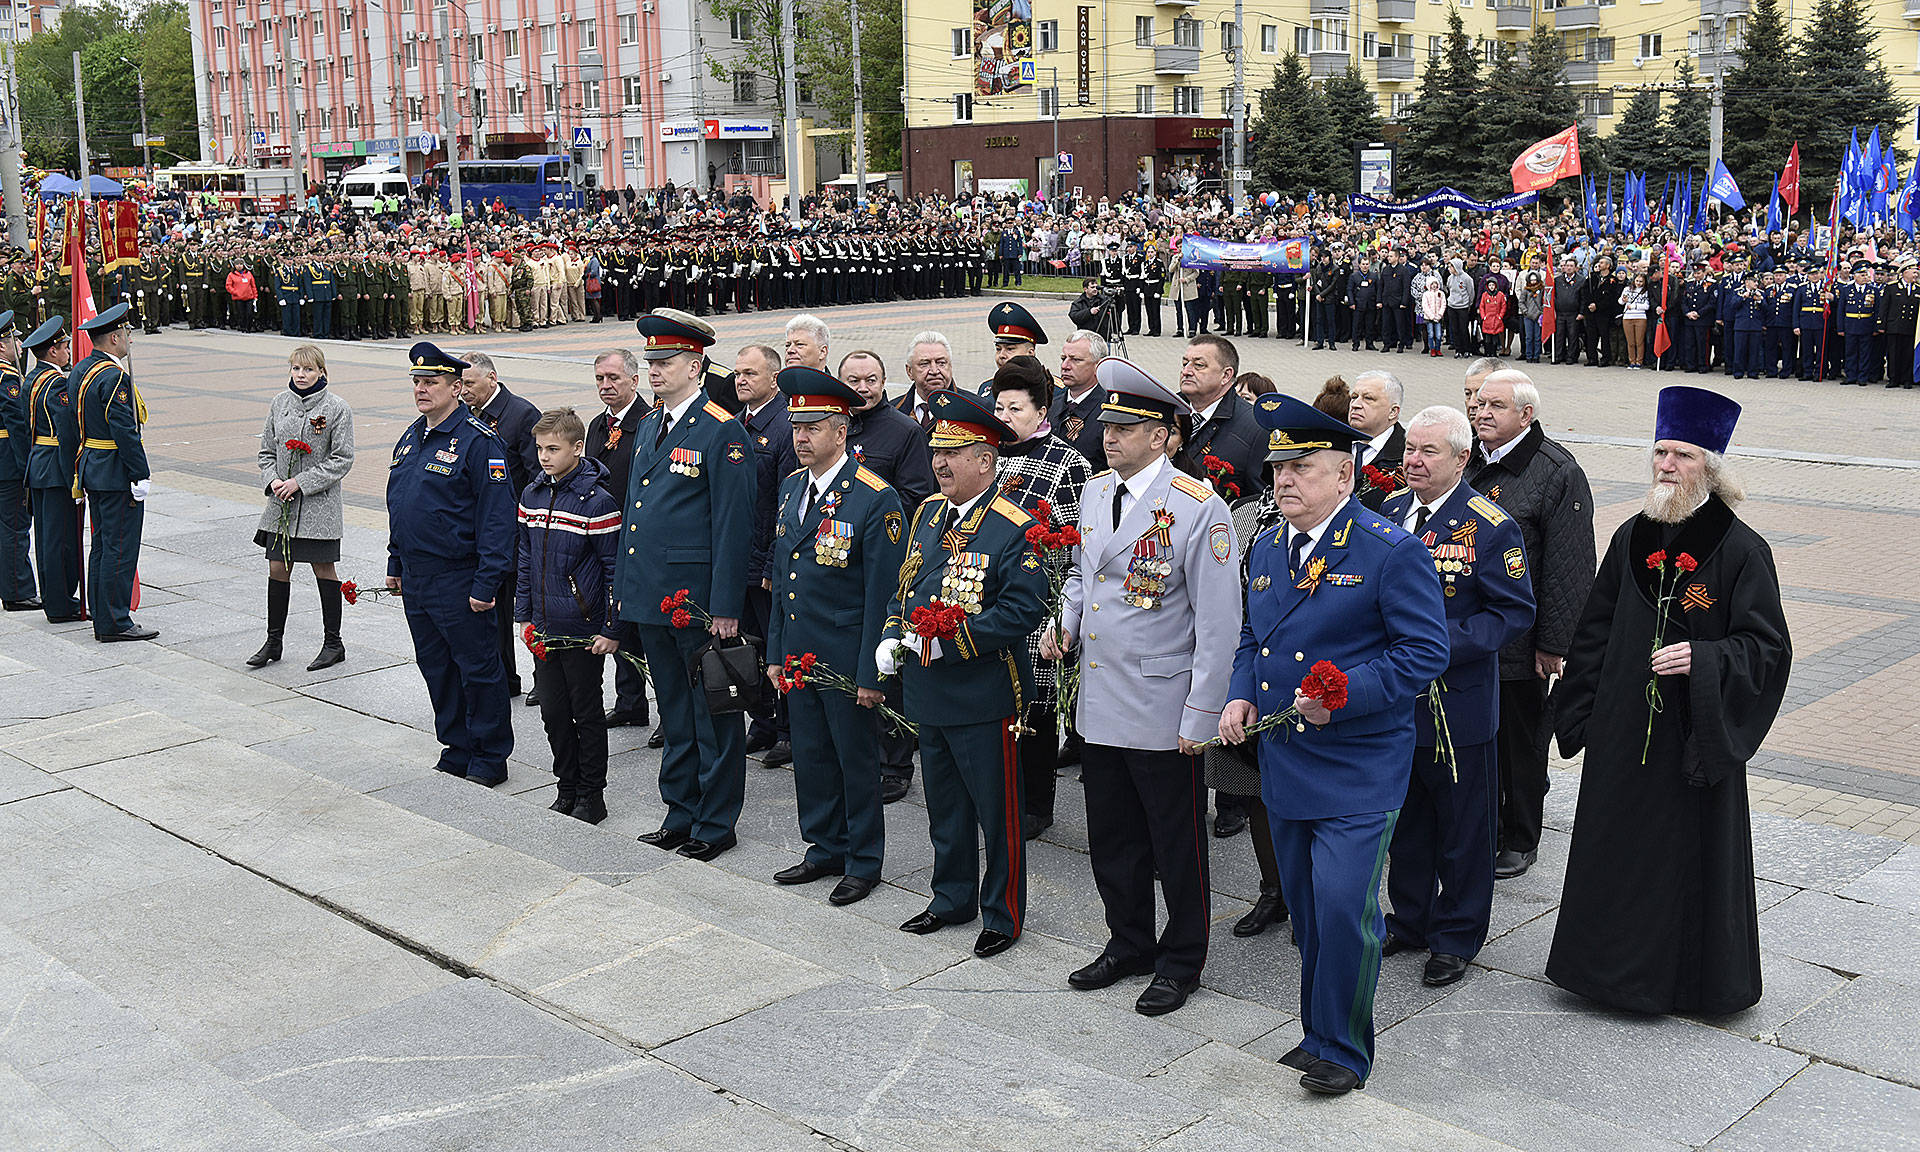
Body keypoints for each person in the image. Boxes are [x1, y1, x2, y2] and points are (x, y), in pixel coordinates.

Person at [1220, 391, 1449, 1095]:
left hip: (1358, 765)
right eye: (1278, 468)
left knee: (1346, 909)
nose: (1284, 480)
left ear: (1345, 475)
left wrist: (1341, 695)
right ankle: (1317, 1031)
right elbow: (1254, 634)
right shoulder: (1267, 545)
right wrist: (1240, 691)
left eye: (1302, 468)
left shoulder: (1390, 551)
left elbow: (1424, 653)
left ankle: (1346, 1051)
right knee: (1310, 912)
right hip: (1287, 762)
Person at [1549, 386, 1791, 1015]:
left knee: (1682, 859)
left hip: (1692, 737)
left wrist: (1705, 659)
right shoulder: (1632, 535)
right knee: (1615, 847)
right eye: (1660, 452)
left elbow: (1766, 648)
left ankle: (1681, 984)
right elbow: (1595, 628)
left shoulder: (1742, 550)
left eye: (1682, 455)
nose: (1666, 465)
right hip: (1622, 727)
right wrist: (1580, 712)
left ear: (1710, 467)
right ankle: (1601, 973)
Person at [1044, 356, 1239, 1017]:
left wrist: (1202, 715)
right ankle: (1128, 941)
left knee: (1175, 844)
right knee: (1113, 837)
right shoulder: (1097, 490)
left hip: (1162, 705)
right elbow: (1083, 575)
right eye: (1107, 426)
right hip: (1101, 698)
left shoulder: (1197, 507)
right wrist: (1066, 621)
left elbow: (1219, 623)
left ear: (1160, 436)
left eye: (1125, 429)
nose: (1109, 437)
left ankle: (1181, 960)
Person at [880, 388, 1047, 958]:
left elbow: (1023, 610)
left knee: (997, 814)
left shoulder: (1013, 525)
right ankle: (951, 897)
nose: (941, 464)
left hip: (982, 691)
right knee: (945, 806)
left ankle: (1003, 912)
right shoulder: (928, 513)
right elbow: (905, 585)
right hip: (929, 691)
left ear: (986, 460)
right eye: (937, 453)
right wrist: (892, 634)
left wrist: (946, 643)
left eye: (953, 454)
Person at [1379, 407, 1535, 988]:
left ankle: (1456, 936)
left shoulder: (1490, 525)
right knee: (1408, 825)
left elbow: (1512, 612)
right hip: (1398, 702)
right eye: (1410, 450)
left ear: (1462, 458)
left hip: (1456, 705)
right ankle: (1411, 919)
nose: (1413, 461)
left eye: (1429, 452)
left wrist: (1438, 644)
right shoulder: (1388, 511)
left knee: (1464, 831)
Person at [764, 368, 906, 906]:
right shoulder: (792, 487)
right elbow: (784, 579)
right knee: (811, 755)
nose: (800, 437)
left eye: (813, 428)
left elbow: (884, 595)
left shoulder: (874, 497)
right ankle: (824, 846)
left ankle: (863, 860)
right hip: (800, 652)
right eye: (796, 427)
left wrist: (873, 674)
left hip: (846, 656)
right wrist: (776, 652)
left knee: (855, 761)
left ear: (841, 431)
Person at [616, 311, 755, 861]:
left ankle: (715, 822)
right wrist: (625, 592)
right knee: (673, 711)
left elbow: (733, 526)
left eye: (665, 362)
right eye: (650, 362)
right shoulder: (650, 424)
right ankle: (680, 811)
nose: (654, 371)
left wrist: (725, 605)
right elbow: (634, 515)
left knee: (712, 713)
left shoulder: (722, 429)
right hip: (653, 595)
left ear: (695, 366)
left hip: (696, 602)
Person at [1466, 371, 1594, 879]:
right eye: (1478, 402)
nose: (1481, 412)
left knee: (1520, 744)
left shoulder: (1556, 472)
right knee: (1478, 739)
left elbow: (1569, 565)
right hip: (1470, 633)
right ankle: (1484, 827)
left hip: (1521, 641)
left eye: (1495, 405)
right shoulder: (1468, 457)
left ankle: (1520, 837)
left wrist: (1554, 644)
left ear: (1526, 414)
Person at [384, 342, 517, 784]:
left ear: (457, 388)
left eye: (432, 382)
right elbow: (401, 502)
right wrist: (395, 560)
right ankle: (457, 747)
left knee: (477, 669)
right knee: (437, 668)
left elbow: (497, 519)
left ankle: (490, 757)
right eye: (417, 382)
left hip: (459, 576)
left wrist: (487, 583)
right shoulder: (413, 435)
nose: (421, 390)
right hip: (417, 576)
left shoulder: (479, 442)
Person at [989, 354, 1093, 840]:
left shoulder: (1068, 463)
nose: (1004, 417)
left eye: (1015, 409)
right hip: (989, 599)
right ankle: (999, 794)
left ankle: (1035, 803)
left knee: (1036, 707)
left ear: (1041, 411)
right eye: (999, 407)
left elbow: (1074, 547)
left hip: (1040, 604)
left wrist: (1064, 614)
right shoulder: (987, 455)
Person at [514, 407, 624, 824]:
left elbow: (613, 569)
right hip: (544, 627)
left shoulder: (597, 502)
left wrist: (611, 627)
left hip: (582, 629)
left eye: (553, 449)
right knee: (553, 713)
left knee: (586, 712)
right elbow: (526, 557)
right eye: (540, 448)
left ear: (578, 448)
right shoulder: (532, 494)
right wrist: (525, 615)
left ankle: (592, 794)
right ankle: (566, 785)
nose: (544, 457)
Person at [841, 347, 939, 803]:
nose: (863, 388)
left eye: (871, 380)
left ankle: (896, 763)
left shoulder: (904, 431)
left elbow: (916, 498)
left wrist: (862, 517)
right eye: (854, 380)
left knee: (886, 661)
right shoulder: (833, 425)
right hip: (837, 564)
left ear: (885, 382)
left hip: (885, 561)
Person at [245, 345, 357, 671]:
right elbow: (266, 451)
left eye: (308, 369)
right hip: (281, 505)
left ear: (322, 371)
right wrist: (273, 481)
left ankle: (333, 643)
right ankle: (273, 641)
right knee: (277, 569)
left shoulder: (337, 408)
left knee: (323, 568)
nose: (301, 375)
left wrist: (301, 482)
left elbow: (342, 459)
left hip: (319, 506)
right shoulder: (279, 403)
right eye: (296, 368)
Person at [459, 351, 543, 701]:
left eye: (469, 383)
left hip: (518, 534)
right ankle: (506, 679)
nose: (463, 390)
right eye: (460, 383)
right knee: (495, 613)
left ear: (491, 379)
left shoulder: (521, 414)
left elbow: (537, 477)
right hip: (484, 536)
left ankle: (544, 680)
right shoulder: (465, 414)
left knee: (530, 610)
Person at [72, 304, 156, 642]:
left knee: (103, 547)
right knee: (119, 548)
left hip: (92, 466)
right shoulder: (114, 377)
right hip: (115, 471)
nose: (129, 340)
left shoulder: (81, 369)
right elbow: (124, 431)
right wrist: (140, 473)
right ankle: (115, 621)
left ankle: (102, 615)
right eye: (126, 334)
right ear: (114, 338)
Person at [586, 348, 653, 732]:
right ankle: (630, 702)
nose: (606, 385)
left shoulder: (648, 421)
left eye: (613, 378)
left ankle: (667, 711)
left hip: (638, 541)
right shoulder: (598, 424)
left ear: (634, 380)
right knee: (617, 621)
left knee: (645, 629)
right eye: (600, 379)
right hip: (605, 539)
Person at [737, 342, 797, 767]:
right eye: (738, 373)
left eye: (750, 373)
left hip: (765, 562)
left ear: (773, 379)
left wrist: (774, 560)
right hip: (738, 558)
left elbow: (786, 501)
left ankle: (787, 730)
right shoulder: (735, 421)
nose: (740, 380)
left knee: (777, 646)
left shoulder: (784, 425)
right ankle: (761, 721)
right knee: (747, 647)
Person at [23, 317, 80, 622]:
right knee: (61, 542)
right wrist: (76, 473)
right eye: (65, 346)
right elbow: (66, 432)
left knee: (46, 539)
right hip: (56, 467)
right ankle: (61, 604)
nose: (68, 351)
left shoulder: (31, 378)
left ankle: (52, 599)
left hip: (38, 464)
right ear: (53, 351)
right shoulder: (57, 383)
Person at [0, 309, 34, 611]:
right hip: (8, 462)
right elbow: (17, 426)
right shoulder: (7, 377)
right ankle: (17, 591)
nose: (20, 345)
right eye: (14, 339)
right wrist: (27, 469)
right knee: (14, 527)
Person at [1049, 330, 1109, 472]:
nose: (1065, 366)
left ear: (1098, 366)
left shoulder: (1108, 412)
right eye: (1063, 358)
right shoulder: (1051, 406)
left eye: (1076, 360)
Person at [1348, 370, 1406, 513]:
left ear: (1393, 412)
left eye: (1368, 398)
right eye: (1354, 397)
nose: (1355, 404)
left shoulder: (1407, 455)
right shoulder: (1332, 444)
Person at [894, 332, 956, 428]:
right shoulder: (893, 412)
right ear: (909, 371)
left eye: (941, 363)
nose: (934, 371)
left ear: (950, 367)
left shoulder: (971, 410)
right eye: (924, 364)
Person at [984, 301, 1047, 388]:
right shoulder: (987, 388)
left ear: (1030, 353)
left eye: (1010, 349)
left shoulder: (1050, 389)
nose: (1001, 355)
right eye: (998, 349)